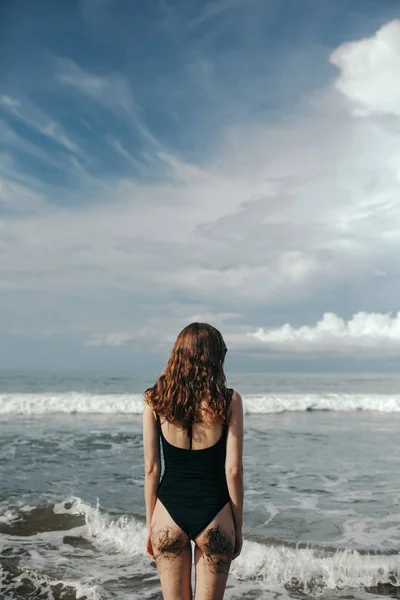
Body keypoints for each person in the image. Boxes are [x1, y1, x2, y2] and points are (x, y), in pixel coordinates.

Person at [142, 322, 244, 600]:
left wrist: (150, 525)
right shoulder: (228, 400)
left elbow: (151, 470)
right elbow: (232, 471)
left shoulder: (155, 399)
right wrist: (238, 527)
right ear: (214, 358)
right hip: (215, 514)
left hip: (167, 514)